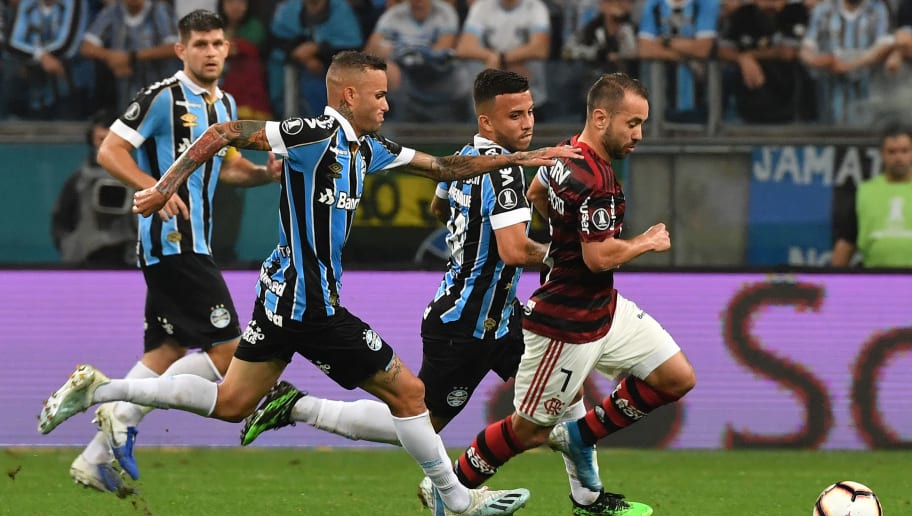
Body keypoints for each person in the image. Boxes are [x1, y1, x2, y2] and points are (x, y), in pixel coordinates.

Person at [38, 51, 579, 515]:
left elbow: (442, 167)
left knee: (231, 403)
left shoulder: (368, 148)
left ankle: (101, 389)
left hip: (282, 296)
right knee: (410, 393)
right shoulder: (315, 135)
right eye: (380, 96)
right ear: (349, 95)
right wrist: (163, 187)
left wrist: (523, 157)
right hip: (309, 304)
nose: (387, 105)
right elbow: (225, 132)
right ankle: (456, 498)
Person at [234, 68, 621, 515]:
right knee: (418, 419)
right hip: (465, 324)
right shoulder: (505, 175)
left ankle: (588, 498)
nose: (528, 123)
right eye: (515, 116)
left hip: (502, 315)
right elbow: (515, 251)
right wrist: (566, 255)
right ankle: (299, 408)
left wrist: (469, 241)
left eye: (531, 112)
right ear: (487, 122)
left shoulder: (462, 158)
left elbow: (440, 205)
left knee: (566, 394)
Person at [444, 73, 697, 516]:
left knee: (675, 377)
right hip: (565, 323)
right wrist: (646, 241)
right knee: (527, 430)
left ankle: (579, 438)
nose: (639, 134)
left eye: (642, 124)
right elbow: (599, 258)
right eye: (632, 124)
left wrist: (563, 238)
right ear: (601, 118)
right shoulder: (595, 178)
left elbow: (536, 190)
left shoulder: (566, 153)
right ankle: (449, 490)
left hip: (604, 309)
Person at [67, 9, 282, 493]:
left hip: (194, 243)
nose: (210, 52)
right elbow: (110, 151)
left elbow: (229, 169)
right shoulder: (163, 97)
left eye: (217, 43)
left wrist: (263, 174)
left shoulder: (224, 104)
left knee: (165, 350)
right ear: (180, 50)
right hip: (173, 244)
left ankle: (95, 455)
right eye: (200, 44)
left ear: (228, 48)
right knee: (230, 357)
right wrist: (157, 187)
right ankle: (118, 414)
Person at [50, 110, 137, 268]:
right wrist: (71, 248)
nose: (105, 145)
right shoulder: (79, 181)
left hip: (128, 259)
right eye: (101, 139)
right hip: (86, 260)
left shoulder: (138, 181)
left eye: (112, 140)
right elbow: (60, 221)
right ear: (92, 139)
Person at [831, 124, 912, 268]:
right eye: (892, 152)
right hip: (875, 280)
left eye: (904, 151)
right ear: (882, 154)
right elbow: (846, 242)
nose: (898, 158)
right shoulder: (865, 192)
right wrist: (832, 279)